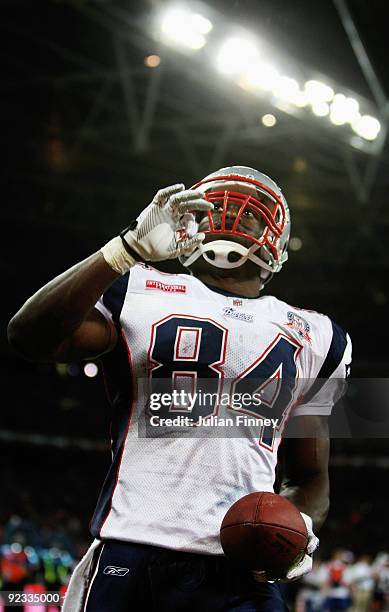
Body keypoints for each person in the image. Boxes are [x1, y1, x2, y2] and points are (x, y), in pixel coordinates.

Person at [8, 166, 352, 611]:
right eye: (218, 206)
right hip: (133, 549)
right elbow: (29, 336)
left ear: (278, 243)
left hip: (241, 565)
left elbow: (308, 477)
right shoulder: (140, 286)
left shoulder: (320, 335)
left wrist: (296, 525)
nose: (231, 215)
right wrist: (123, 250)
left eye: (251, 212)